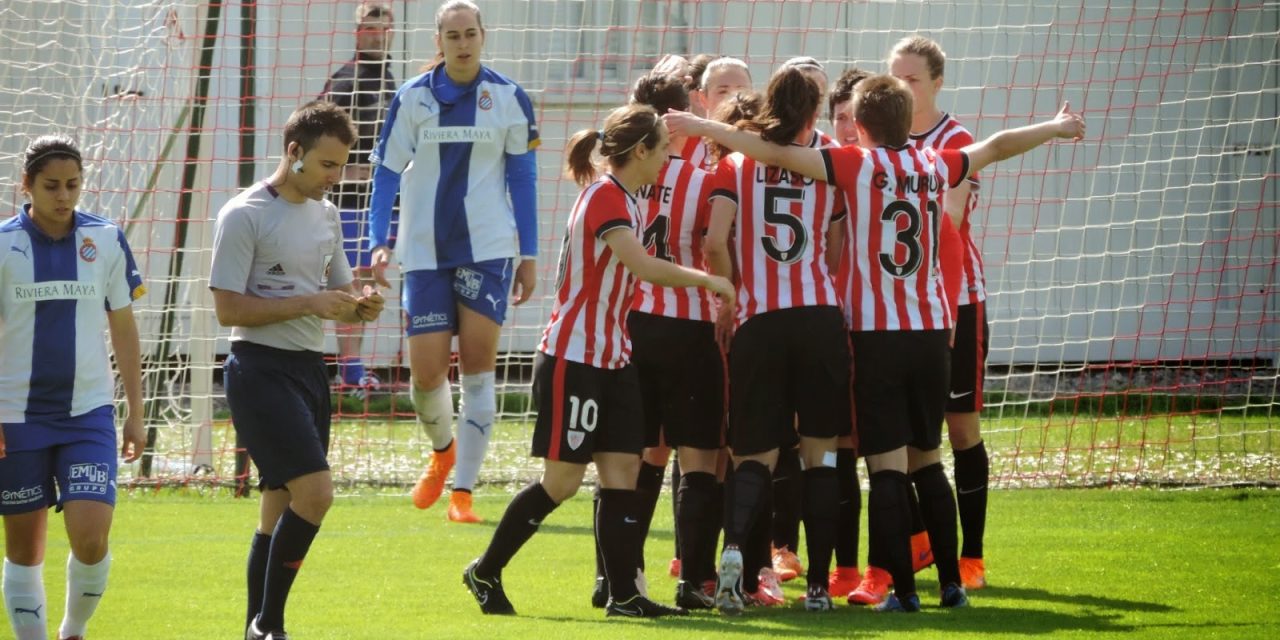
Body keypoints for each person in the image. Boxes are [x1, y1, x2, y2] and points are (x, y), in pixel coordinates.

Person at [666, 73, 1085, 612]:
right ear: (908, 121)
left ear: (859, 126)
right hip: (929, 330)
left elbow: (765, 152)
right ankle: (941, 583)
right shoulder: (936, 163)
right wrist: (1054, 127)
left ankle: (892, 589)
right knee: (925, 460)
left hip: (862, 334)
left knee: (872, 466)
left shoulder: (854, 165)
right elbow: (999, 146)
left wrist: (704, 126)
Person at [462, 104, 734, 618]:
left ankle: (623, 595)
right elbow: (642, 265)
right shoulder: (606, 196)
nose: (667, 159)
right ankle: (484, 570)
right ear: (640, 152)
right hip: (574, 357)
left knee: (623, 471)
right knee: (562, 482)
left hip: (613, 356)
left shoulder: (628, 198)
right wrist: (709, 280)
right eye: (661, 149)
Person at [210, 101, 385, 640]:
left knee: (277, 509)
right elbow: (228, 310)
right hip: (259, 370)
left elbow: (339, 289)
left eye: (343, 166)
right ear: (295, 153)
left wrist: (364, 301)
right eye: (329, 165)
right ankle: (271, 625)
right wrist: (309, 303)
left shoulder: (326, 214)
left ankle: (253, 628)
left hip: (310, 371)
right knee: (317, 495)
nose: (337, 177)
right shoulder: (244, 214)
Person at [367, 0, 539, 523]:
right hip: (423, 254)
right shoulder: (411, 97)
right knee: (425, 377)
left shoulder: (509, 97)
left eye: (471, 33)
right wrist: (380, 239)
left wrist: (527, 253)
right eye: (453, 35)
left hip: (488, 251)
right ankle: (443, 453)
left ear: (483, 36)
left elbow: (523, 180)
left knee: (479, 371)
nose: (463, 43)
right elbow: (386, 174)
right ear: (438, 40)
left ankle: (463, 494)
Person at [700, 67, 852, 614]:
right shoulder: (829, 161)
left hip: (758, 323)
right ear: (814, 111)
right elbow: (836, 245)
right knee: (819, 459)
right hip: (817, 318)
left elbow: (715, 240)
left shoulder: (736, 164)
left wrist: (732, 293)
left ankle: (735, 558)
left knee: (753, 458)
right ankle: (816, 588)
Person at [0, 135, 147, 640]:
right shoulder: (3, 245)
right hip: (15, 417)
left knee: (89, 538)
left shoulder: (105, 239)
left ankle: (72, 632)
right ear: (27, 186)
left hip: (87, 413)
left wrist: (135, 412)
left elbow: (124, 328)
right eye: (52, 186)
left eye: (73, 186)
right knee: (23, 549)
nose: (64, 197)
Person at [890, 35, 992, 591]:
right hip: (896, 307)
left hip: (955, 301)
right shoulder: (877, 135)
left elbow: (950, 219)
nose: (902, 88)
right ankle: (922, 542)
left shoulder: (956, 140)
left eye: (913, 79)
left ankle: (972, 556)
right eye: (895, 78)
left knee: (960, 429)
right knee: (901, 435)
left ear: (935, 83)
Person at [320, 1, 398, 396]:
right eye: (370, 27)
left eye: (384, 28)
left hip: (385, 205)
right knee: (350, 284)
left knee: (372, 283)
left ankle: (360, 370)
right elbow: (317, 135)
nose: (377, 34)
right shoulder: (344, 81)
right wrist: (348, 171)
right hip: (350, 204)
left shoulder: (390, 81)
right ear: (357, 32)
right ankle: (349, 371)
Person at [680, 57, 752, 170]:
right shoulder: (682, 145)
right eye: (723, 92)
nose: (734, 98)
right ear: (703, 98)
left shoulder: (768, 145)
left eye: (741, 90)